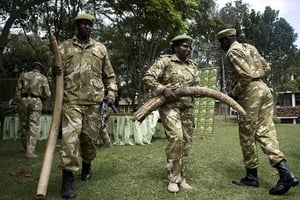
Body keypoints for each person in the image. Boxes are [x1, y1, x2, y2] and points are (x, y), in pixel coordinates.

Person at [215, 28, 299, 195]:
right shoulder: (249, 47)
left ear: (226, 40)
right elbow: (266, 67)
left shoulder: (232, 52)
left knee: (247, 134)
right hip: (264, 89)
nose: (221, 46)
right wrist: (257, 79)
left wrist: (233, 93)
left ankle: (252, 177)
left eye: (221, 43)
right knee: (265, 131)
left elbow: (245, 76)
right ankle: (285, 173)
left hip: (250, 92)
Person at [52, 13, 117, 199]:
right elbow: (56, 75)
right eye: (82, 23)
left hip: (94, 103)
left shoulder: (100, 48)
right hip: (71, 100)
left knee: (88, 140)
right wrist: (54, 70)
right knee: (70, 139)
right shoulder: (63, 47)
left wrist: (110, 93)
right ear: (76, 26)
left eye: (89, 24)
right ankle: (67, 179)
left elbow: (110, 76)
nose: (86, 26)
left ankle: (87, 162)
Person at [143, 34, 200, 193]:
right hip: (170, 107)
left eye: (189, 47)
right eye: (184, 46)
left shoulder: (192, 65)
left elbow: (196, 83)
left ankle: (183, 178)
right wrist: (163, 89)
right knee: (176, 138)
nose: (188, 49)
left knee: (186, 143)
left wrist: (197, 89)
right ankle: (173, 179)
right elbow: (148, 78)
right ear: (175, 47)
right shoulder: (165, 61)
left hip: (188, 107)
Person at [14, 62, 51, 159]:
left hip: (23, 100)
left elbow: (18, 91)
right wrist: (41, 97)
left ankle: (25, 147)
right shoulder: (42, 78)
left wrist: (17, 102)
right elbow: (47, 94)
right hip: (36, 101)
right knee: (33, 125)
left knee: (23, 124)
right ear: (40, 69)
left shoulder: (24, 75)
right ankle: (30, 151)